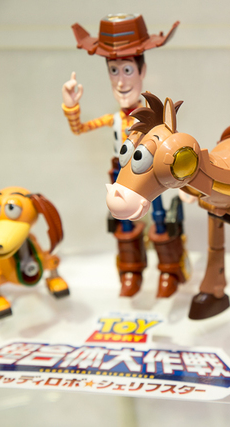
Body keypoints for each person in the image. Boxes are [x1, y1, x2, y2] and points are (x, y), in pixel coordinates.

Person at [62, 14, 187, 298]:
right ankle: (131, 270)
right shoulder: (114, 119)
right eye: (113, 71)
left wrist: (184, 185)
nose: (120, 81)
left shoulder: (155, 120)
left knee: (159, 218)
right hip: (121, 176)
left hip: (150, 177)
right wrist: (71, 107)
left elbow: (175, 150)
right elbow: (80, 128)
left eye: (127, 70)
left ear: (142, 71)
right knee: (123, 220)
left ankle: (169, 269)